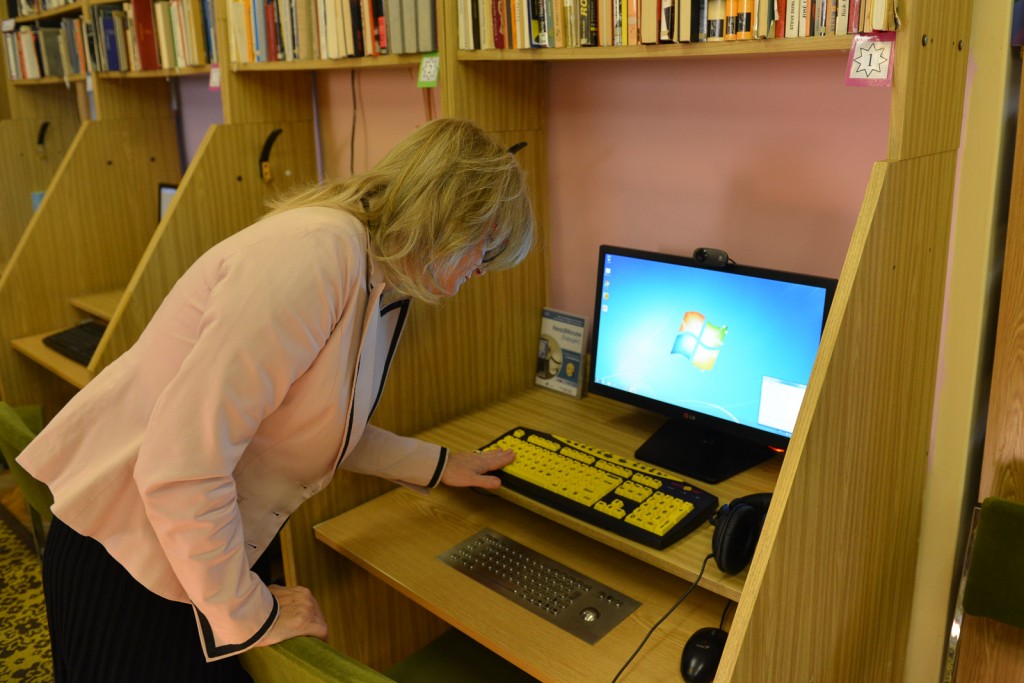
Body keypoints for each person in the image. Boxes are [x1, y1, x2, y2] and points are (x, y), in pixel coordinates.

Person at [18, 118, 535, 681]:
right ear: (449, 217)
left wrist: (438, 464)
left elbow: (314, 425)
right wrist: (248, 612)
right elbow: (181, 465)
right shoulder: (315, 254)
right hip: (132, 554)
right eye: (486, 249)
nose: (480, 271)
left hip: (199, 545)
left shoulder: (379, 277)